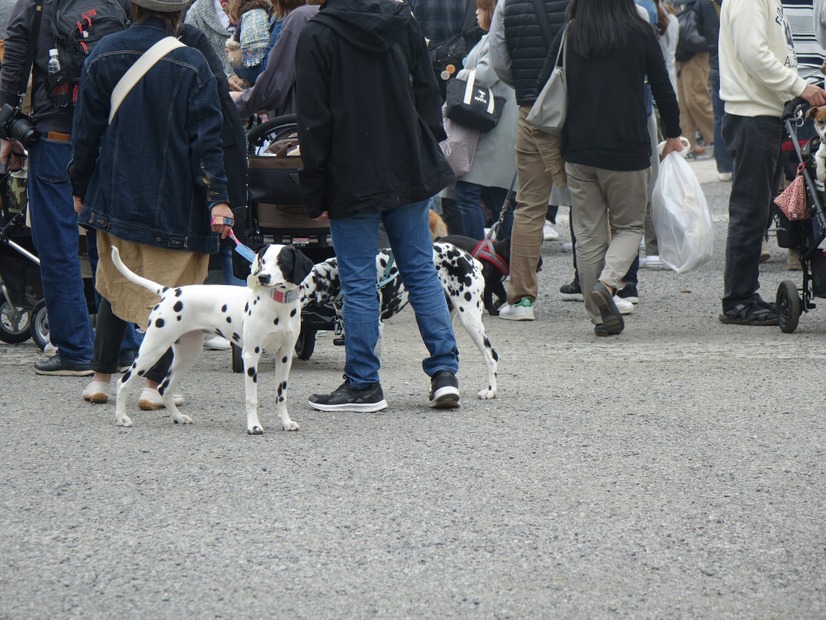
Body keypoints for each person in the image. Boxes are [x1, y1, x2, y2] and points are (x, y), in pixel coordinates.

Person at [295, 0, 461, 411]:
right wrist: (425, 140)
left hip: (351, 171)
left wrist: (314, 189)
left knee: (357, 280)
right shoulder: (401, 18)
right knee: (420, 269)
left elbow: (313, 120)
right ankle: (444, 373)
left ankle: (364, 382)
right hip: (408, 160)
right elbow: (427, 88)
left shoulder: (318, 34)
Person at [69, 0, 234, 405]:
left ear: (133, 8)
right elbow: (207, 142)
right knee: (173, 295)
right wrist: (218, 200)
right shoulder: (193, 62)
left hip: (114, 195)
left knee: (115, 281)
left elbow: (85, 132)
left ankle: (100, 379)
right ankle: (152, 387)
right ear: (178, 15)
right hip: (177, 204)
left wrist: (80, 187)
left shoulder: (103, 53)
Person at [542, 0, 682, 336]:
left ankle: (599, 317)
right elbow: (663, 88)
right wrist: (673, 134)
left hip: (578, 148)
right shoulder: (640, 32)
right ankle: (607, 285)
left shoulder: (572, 33)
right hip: (627, 147)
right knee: (629, 227)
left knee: (588, 235)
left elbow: (543, 82)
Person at [0, 0, 120, 375]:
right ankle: (123, 346)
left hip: (54, 137)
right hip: (107, 137)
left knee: (58, 247)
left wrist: (8, 131)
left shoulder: (35, 6)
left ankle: (75, 350)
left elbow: (13, 71)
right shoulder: (114, 3)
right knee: (110, 244)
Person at [719, 0, 826, 325]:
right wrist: (799, 86)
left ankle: (744, 295)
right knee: (750, 211)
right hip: (752, 114)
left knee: (757, 209)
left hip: (762, 112)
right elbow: (754, 55)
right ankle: (738, 301)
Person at [489, 0, 570, 321]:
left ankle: (522, 299)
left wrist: (527, 87)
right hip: (577, 108)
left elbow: (499, 58)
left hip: (532, 109)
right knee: (590, 201)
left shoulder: (507, 3)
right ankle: (602, 288)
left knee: (530, 206)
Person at [452, 0, 517, 240]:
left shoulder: (493, 39)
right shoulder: (493, 37)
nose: (476, 15)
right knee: (498, 199)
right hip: (498, 126)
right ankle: (504, 257)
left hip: (490, 129)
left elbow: (485, 75)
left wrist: (462, 74)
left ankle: (476, 256)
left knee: (467, 192)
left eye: (479, 10)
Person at [231, 0, 316, 118]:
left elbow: (273, 80)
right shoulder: (319, 12)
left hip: (294, 120)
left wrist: (237, 104)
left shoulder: (298, 17)